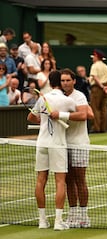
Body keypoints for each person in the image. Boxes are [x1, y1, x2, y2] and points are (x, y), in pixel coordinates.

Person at [27, 70, 76, 231]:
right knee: (60, 181)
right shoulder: (66, 100)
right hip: (57, 144)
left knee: (40, 180)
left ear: (49, 81)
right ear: (60, 83)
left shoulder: (43, 99)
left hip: (42, 143)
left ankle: (42, 221)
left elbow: (31, 118)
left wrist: (43, 118)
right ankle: (58, 221)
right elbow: (79, 113)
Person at [51, 68, 94, 228]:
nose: (65, 83)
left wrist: (61, 115)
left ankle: (84, 216)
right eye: (63, 81)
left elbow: (84, 115)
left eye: (68, 80)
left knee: (80, 179)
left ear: (74, 81)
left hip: (79, 143)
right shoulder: (59, 98)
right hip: (63, 144)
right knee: (68, 181)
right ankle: (73, 214)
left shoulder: (80, 96)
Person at [89, 49, 107, 133]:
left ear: (96, 56)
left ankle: (96, 128)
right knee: (103, 108)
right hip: (105, 89)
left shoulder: (94, 66)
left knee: (95, 108)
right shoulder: (106, 66)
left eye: (93, 56)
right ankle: (103, 128)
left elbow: (95, 77)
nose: (92, 58)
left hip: (97, 88)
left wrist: (102, 86)